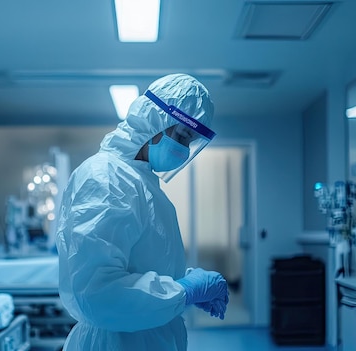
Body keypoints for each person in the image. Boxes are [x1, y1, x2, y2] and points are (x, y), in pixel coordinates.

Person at [55, 73, 229, 351]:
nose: (184, 149)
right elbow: (98, 294)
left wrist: (182, 284)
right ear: (154, 119)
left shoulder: (141, 181)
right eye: (182, 135)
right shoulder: (106, 177)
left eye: (190, 141)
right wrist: (183, 291)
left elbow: (141, 262)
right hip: (116, 342)